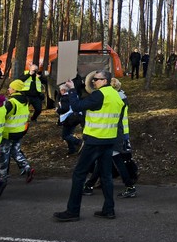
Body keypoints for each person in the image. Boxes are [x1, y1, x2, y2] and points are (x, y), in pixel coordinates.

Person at [54, 70, 126, 222]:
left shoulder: (99, 95)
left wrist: (72, 90)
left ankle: (73, 211)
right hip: (109, 140)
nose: (93, 81)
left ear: (105, 81)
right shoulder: (116, 95)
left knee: (79, 174)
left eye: (96, 79)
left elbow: (76, 106)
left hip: (95, 140)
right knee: (106, 176)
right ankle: (109, 209)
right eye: (93, 79)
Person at [0, 80, 35, 182]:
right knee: (15, 151)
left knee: (4, 154)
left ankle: (2, 176)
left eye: (10, 87)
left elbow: (2, 115)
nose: (8, 89)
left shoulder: (11, 102)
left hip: (8, 132)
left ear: (15, 89)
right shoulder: (25, 101)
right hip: (20, 131)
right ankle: (27, 167)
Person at [56, 83, 83, 154]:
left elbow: (65, 108)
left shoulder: (64, 98)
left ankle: (79, 142)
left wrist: (58, 110)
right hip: (77, 116)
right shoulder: (74, 95)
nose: (60, 92)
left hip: (69, 118)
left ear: (63, 90)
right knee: (69, 133)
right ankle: (72, 149)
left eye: (60, 90)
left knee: (65, 135)